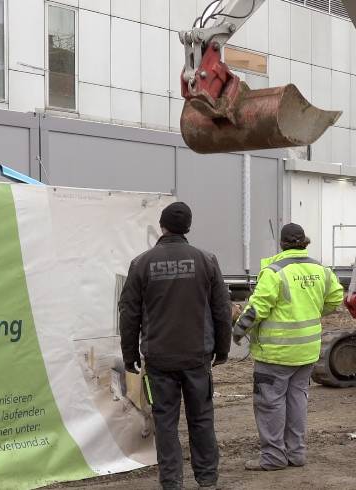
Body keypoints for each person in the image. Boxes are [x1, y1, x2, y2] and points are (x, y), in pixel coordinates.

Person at [118, 201, 231, 490]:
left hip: (159, 359)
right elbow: (221, 309)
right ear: (188, 227)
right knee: (202, 418)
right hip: (197, 357)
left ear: (162, 226)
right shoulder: (206, 260)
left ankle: (171, 482)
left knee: (165, 422)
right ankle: (207, 479)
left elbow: (129, 313)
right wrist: (222, 349)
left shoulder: (141, 263)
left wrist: (129, 355)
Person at [232, 223, 344, 471]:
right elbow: (336, 298)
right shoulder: (321, 269)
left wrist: (239, 330)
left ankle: (273, 457)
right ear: (304, 242)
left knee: (270, 403)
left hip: (276, 353)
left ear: (281, 244)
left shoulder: (274, 272)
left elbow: (257, 308)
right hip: (307, 351)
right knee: (297, 400)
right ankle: (295, 453)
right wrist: (313, 311)